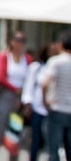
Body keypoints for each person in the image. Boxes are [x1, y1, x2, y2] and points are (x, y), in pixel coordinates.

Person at [0, 30, 32, 157]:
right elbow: (0, 76)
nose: (20, 44)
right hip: (5, 96)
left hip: (19, 100)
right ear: (12, 42)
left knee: (15, 133)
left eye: (23, 41)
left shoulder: (27, 59)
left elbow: (30, 78)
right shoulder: (4, 56)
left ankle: (13, 157)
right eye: (18, 40)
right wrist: (14, 88)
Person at [42, 31, 71, 161]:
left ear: (61, 44)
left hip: (57, 108)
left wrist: (45, 102)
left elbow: (44, 83)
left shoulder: (56, 62)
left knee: (53, 151)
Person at [22, 43, 53, 161]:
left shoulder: (53, 67)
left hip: (51, 109)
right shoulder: (36, 67)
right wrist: (27, 104)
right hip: (37, 107)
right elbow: (29, 86)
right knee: (35, 138)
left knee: (49, 140)